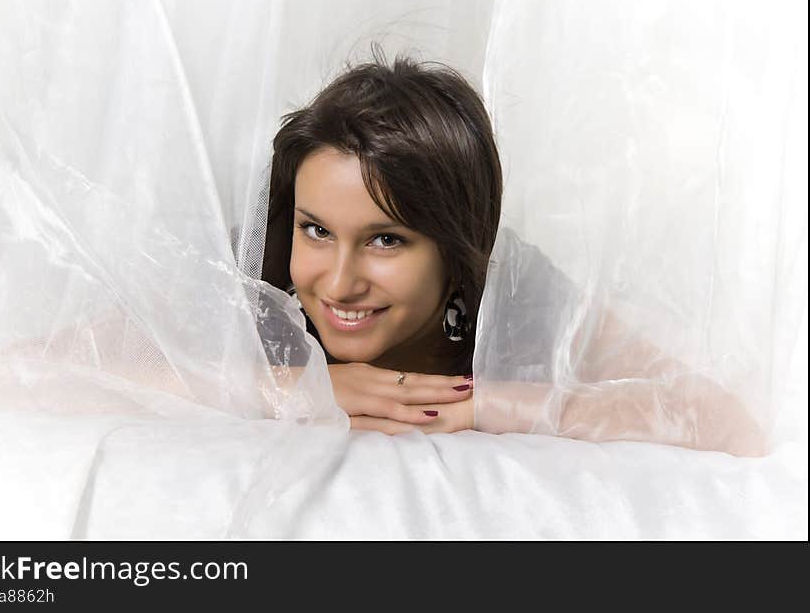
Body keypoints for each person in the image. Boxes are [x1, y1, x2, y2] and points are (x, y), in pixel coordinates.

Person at [261, 48, 769, 457]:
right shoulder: (258, 270)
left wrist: (483, 406)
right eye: (317, 231)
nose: (339, 283)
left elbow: (725, 421)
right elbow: (176, 369)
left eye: (386, 239)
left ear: (458, 242)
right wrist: (306, 387)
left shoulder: (516, 290)